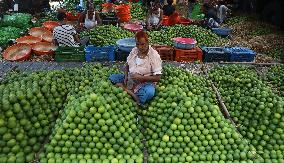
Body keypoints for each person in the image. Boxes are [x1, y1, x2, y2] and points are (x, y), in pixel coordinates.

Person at [109, 31, 162, 105]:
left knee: (149, 93)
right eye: (137, 44)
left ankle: (125, 90)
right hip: (131, 79)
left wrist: (141, 78)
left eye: (143, 44)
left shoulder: (154, 55)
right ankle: (131, 93)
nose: (140, 47)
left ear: (147, 42)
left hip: (145, 83)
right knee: (112, 77)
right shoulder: (134, 51)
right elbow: (127, 65)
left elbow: (158, 78)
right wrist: (126, 77)